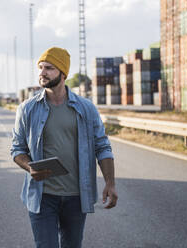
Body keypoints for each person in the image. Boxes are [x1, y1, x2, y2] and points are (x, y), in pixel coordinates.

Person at [11, 47, 118, 248]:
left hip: (76, 197)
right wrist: (30, 167)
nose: (42, 73)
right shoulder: (27, 108)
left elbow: (102, 147)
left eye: (49, 68)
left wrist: (110, 184)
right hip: (43, 197)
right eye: (41, 67)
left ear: (63, 73)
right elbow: (17, 149)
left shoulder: (86, 108)